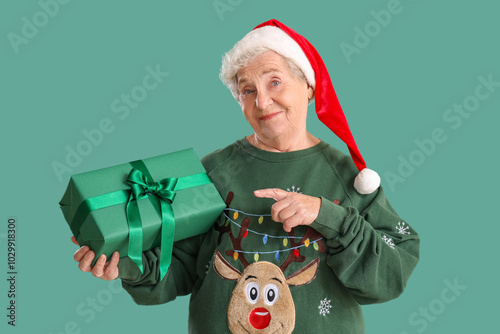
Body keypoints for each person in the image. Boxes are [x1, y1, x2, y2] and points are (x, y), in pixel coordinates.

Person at [72, 19, 419, 333]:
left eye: (275, 81)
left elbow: (392, 274)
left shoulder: (350, 176)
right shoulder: (213, 171)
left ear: (308, 87)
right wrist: (125, 264)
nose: (263, 102)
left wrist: (327, 214)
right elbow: (179, 268)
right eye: (247, 90)